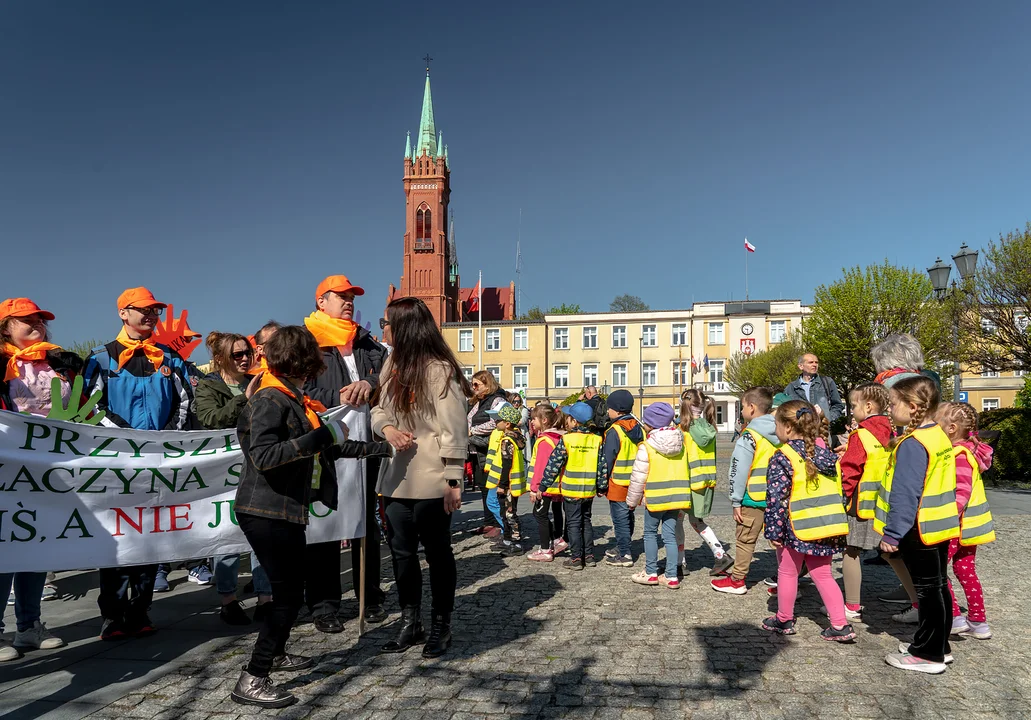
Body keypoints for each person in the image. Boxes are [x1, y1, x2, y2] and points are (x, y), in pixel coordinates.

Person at [231, 325, 392, 707]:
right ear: (302, 360)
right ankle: (252, 677)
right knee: (287, 596)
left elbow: (331, 448)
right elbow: (265, 456)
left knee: (291, 590)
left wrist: (380, 449)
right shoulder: (271, 399)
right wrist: (319, 439)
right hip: (265, 509)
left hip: (284, 509)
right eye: (313, 358)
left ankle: (277, 653)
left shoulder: (292, 397)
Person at [83, 287, 198, 640]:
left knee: (151, 536)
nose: (151, 315)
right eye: (144, 310)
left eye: (155, 311)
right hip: (117, 463)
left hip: (158, 461)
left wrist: (162, 440)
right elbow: (90, 405)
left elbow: (185, 403)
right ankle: (112, 616)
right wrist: (125, 438)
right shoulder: (100, 359)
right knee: (118, 538)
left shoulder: (170, 358)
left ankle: (141, 611)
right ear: (123, 313)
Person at [371, 297, 469, 658]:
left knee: (439, 554)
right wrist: (387, 428)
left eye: (388, 322)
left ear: (405, 326)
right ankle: (410, 621)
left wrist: (454, 478)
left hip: (433, 479)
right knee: (401, 554)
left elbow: (455, 426)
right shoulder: (392, 363)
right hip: (396, 478)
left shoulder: (440, 369)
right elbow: (377, 407)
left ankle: (441, 623)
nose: (384, 328)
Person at [303, 275, 389, 631]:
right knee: (324, 522)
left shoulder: (367, 342)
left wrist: (369, 383)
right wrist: (336, 396)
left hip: (365, 444)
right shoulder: (307, 343)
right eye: (341, 296)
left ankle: (369, 595)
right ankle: (324, 604)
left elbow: (388, 375)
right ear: (321, 301)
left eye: (352, 296)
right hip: (326, 445)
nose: (349, 301)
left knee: (364, 520)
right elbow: (299, 389)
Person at [0, 298, 74, 660]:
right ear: (5, 328)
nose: (36, 325)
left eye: (40, 320)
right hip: (7, 469)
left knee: (35, 543)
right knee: (4, 547)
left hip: (48, 469)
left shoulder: (56, 362)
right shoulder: (2, 364)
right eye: (26, 320)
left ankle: (29, 626)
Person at [876, 376, 961, 674]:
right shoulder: (937, 435)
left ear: (912, 407)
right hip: (939, 525)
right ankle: (939, 645)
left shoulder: (913, 444)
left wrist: (892, 533)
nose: (889, 409)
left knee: (927, 590)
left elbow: (905, 493)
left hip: (918, 527)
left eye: (893, 403)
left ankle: (928, 654)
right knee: (938, 587)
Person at [195, 332, 272, 626]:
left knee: (261, 534)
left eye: (247, 353)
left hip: (257, 466)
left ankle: (266, 597)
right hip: (224, 474)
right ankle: (228, 599)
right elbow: (211, 419)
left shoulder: (261, 379)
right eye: (236, 355)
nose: (244, 359)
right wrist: (244, 399)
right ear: (220, 359)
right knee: (227, 535)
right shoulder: (209, 386)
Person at [761, 400, 854, 641]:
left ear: (789, 429)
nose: (776, 430)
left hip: (797, 526)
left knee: (788, 571)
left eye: (777, 425)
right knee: (823, 574)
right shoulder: (827, 455)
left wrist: (773, 531)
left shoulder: (783, 456)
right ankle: (840, 624)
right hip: (827, 524)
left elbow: (777, 498)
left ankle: (783, 618)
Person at [936, 402, 995, 640]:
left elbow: (962, 491)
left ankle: (954, 617)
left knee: (938, 570)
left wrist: (950, 515)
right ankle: (978, 621)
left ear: (950, 428)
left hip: (956, 524)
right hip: (971, 525)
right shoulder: (970, 451)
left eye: (937, 419)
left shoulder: (959, 454)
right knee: (965, 570)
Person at [712, 388, 780, 595]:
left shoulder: (749, 436)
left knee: (745, 540)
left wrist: (735, 500)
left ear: (751, 407)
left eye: (742, 406)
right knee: (781, 542)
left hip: (753, 497)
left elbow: (737, 470)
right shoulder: (782, 432)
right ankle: (789, 580)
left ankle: (738, 580)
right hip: (778, 497)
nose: (741, 411)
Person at [837, 382, 893, 623]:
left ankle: (851, 605)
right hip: (885, 503)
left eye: (854, 405)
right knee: (892, 553)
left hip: (860, 504)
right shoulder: (891, 432)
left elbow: (850, 470)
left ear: (868, 406)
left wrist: (841, 495)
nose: (852, 410)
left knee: (851, 551)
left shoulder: (860, 435)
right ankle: (914, 599)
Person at [626, 403, 693, 589]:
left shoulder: (647, 447)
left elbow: (638, 478)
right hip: (676, 498)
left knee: (649, 533)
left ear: (650, 424)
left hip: (655, 499)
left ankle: (651, 572)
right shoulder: (681, 444)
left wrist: (631, 501)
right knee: (670, 536)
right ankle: (671, 576)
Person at [537, 402, 607, 570]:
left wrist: (543, 486)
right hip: (588, 489)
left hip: (571, 489)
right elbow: (602, 466)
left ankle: (576, 558)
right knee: (586, 520)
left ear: (574, 422)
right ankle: (589, 556)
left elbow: (553, 465)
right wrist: (601, 487)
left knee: (573, 523)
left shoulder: (567, 440)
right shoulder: (596, 440)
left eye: (568, 418)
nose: (566, 421)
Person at [675, 389, 732, 577]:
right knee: (695, 520)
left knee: (679, 520)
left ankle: (680, 561)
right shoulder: (709, 428)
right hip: (706, 481)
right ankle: (719, 553)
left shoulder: (683, 430)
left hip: (688, 481)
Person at [600, 390, 643, 567]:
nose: (607, 412)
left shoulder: (614, 431)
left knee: (620, 520)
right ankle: (623, 546)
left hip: (618, 481)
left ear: (617, 410)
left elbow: (607, 459)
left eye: (609, 408)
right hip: (636, 480)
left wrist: (601, 483)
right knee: (629, 516)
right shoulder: (638, 427)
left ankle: (625, 554)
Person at [467, 371, 509, 537]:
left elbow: (496, 423)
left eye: (477, 384)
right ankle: (489, 521)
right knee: (483, 486)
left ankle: (500, 524)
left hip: (490, 449)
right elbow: (469, 419)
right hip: (477, 450)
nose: (473, 387)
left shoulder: (497, 400)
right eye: (473, 384)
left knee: (493, 488)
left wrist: (472, 431)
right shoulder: (477, 402)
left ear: (487, 384)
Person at [483, 402, 527, 555]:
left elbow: (507, 464)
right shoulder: (512, 437)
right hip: (509, 483)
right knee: (504, 512)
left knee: (510, 514)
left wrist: (502, 485)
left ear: (507, 423)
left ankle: (516, 543)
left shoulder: (508, 440)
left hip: (508, 485)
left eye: (498, 420)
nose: (495, 422)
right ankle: (507, 540)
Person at [526, 404, 569, 561]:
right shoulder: (558, 436)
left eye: (533, 419)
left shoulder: (544, 440)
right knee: (557, 512)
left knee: (539, 514)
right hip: (557, 484)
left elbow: (541, 466)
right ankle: (558, 539)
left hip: (545, 486)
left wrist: (534, 488)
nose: (531, 422)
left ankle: (545, 549)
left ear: (544, 420)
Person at [783, 353, 845, 423]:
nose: (814, 365)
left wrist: (827, 419)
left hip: (822, 430)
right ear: (801, 366)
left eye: (816, 362)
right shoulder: (791, 388)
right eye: (810, 362)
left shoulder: (827, 382)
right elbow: (785, 411)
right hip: (800, 431)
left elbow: (838, 405)